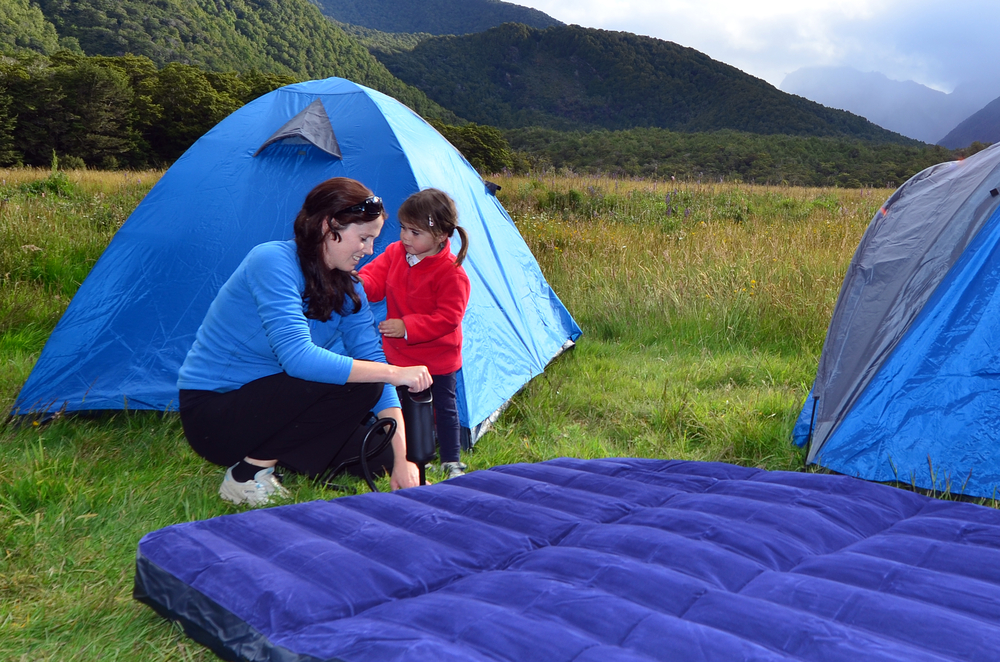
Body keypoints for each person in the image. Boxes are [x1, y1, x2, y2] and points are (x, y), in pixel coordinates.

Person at [176, 177, 429, 506]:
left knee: (380, 453)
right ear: (329, 226)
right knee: (363, 382)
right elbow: (298, 359)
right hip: (216, 412)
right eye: (364, 238)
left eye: (373, 240)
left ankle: (278, 457)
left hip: (277, 406)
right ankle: (247, 474)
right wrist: (395, 373)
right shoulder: (271, 261)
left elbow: (373, 358)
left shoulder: (349, 288)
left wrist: (404, 459)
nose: (368, 251)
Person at [359, 188, 471, 478]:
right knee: (402, 407)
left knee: (443, 410)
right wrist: (355, 285)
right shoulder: (396, 253)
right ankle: (408, 457)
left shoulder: (452, 273)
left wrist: (407, 326)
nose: (406, 237)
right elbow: (373, 279)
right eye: (404, 228)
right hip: (399, 357)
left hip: (438, 360)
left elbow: (448, 318)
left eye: (415, 232)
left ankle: (451, 459)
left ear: (441, 235)